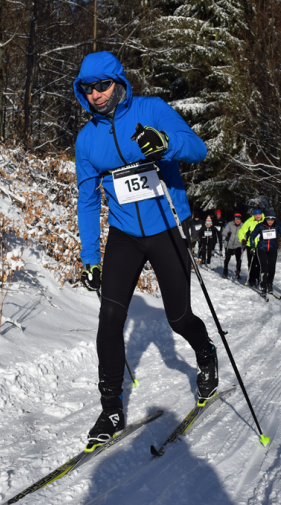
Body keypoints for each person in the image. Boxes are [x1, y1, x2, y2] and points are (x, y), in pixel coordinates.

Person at [73, 51, 218, 447]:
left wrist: (166, 143)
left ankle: (206, 355)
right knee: (109, 317)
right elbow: (88, 201)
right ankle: (111, 407)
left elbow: (197, 148)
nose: (96, 95)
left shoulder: (152, 110)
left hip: (166, 225)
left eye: (102, 86)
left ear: (118, 83)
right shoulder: (87, 140)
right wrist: (90, 258)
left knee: (179, 317)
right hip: (124, 234)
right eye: (88, 88)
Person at [248, 209, 281, 296]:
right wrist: (252, 247)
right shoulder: (260, 226)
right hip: (261, 249)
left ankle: (269, 284)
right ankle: (263, 286)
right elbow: (252, 236)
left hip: (273, 249)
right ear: (265, 219)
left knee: (272, 268)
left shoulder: (277, 225)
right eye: (268, 219)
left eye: (272, 219)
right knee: (264, 268)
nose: (270, 221)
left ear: (274, 219)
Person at [238, 208, 264, 288]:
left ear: (261, 214)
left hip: (262, 245)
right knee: (252, 263)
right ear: (254, 215)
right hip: (251, 245)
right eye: (256, 215)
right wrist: (242, 239)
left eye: (259, 214)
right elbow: (241, 231)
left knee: (261, 264)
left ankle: (260, 279)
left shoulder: (266, 220)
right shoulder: (249, 221)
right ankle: (252, 280)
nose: (258, 216)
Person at [221, 213, 244, 279]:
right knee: (227, 258)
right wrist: (227, 233)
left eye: (239, 219)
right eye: (236, 219)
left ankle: (238, 272)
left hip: (238, 245)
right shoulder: (230, 224)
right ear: (234, 219)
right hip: (229, 244)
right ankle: (225, 271)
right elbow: (223, 232)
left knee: (239, 259)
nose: (237, 220)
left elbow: (244, 234)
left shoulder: (243, 225)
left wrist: (243, 240)